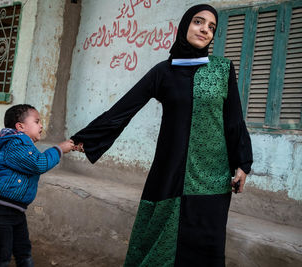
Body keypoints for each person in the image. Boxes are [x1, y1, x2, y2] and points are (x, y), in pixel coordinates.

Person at [71, 4, 253, 267]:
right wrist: (86, 138)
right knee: (158, 243)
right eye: (198, 22)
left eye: (211, 27)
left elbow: (234, 119)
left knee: (206, 247)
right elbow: (125, 107)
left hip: (212, 175)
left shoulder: (223, 69)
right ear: (184, 25)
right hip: (171, 172)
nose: (204, 30)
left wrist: (243, 163)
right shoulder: (164, 71)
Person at [0, 104, 74, 267]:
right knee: (2, 257)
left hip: (16, 211)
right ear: (20, 127)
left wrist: (69, 146)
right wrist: (60, 149)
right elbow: (39, 164)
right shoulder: (14, 145)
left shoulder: (24, 146)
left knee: (24, 253)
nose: (41, 126)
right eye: (37, 121)